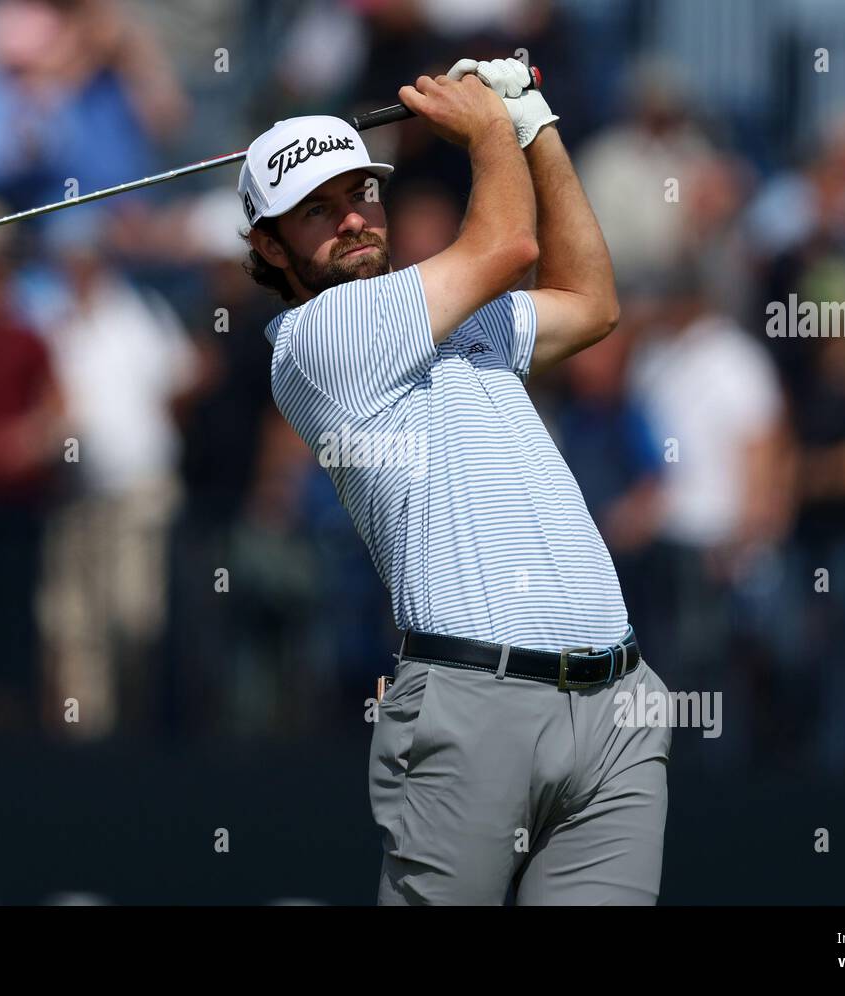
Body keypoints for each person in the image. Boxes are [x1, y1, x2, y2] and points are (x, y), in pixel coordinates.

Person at [239, 58, 672, 905]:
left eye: (361, 193)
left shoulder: (449, 315)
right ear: (267, 245)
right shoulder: (316, 340)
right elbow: (510, 244)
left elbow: (590, 302)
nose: (353, 220)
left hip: (618, 703)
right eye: (317, 211)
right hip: (474, 704)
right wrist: (485, 130)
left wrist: (535, 125)